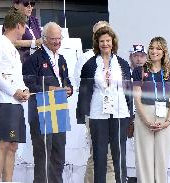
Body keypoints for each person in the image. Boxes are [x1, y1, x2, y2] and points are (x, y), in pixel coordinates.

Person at [76, 26, 133, 183]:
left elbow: (128, 90)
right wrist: (82, 115)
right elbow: (84, 91)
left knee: (119, 154)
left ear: (113, 42)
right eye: (102, 41)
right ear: (97, 43)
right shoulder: (89, 64)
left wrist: (131, 115)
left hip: (120, 112)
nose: (105, 44)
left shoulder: (122, 63)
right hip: (98, 113)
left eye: (108, 40)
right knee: (99, 155)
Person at [22, 22, 73, 183]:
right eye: (53, 39)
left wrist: (69, 89)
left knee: (59, 154)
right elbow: (28, 84)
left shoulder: (62, 58)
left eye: (59, 38)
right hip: (41, 109)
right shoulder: (33, 59)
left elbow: (66, 81)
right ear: (44, 39)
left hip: (59, 108)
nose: (57, 42)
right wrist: (50, 88)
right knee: (43, 155)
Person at [0, 10, 30, 182]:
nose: (25, 29)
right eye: (24, 25)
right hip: (4, 102)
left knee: (13, 145)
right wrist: (13, 92)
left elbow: (16, 78)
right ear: (18, 25)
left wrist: (24, 89)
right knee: (3, 143)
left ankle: (8, 180)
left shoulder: (11, 48)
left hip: (16, 103)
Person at [74, 21, 116, 183]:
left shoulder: (116, 59)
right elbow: (80, 85)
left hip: (113, 112)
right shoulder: (86, 58)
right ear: (94, 37)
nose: (104, 38)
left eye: (107, 33)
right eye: (100, 34)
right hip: (94, 112)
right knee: (97, 154)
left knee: (112, 155)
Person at [132, 37, 170, 183]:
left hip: (164, 117)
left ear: (164, 52)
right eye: (151, 48)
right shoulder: (140, 71)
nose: (154, 51)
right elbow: (137, 99)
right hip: (144, 115)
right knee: (144, 158)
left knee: (162, 159)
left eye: (158, 48)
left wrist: (168, 121)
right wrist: (145, 120)